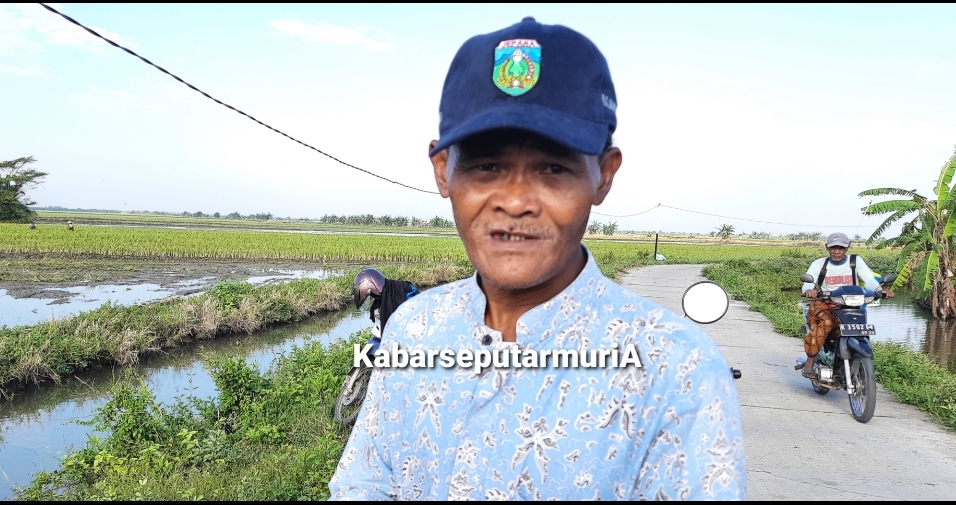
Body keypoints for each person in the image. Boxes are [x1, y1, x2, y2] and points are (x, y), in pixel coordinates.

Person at [329, 17, 746, 500]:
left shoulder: (678, 370)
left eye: (554, 167)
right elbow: (364, 483)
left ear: (603, 177)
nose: (516, 200)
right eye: (487, 165)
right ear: (444, 173)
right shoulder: (414, 330)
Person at [800, 232, 893, 378]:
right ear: (827, 248)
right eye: (833, 248)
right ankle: (809, 362)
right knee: (825, 323)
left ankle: (854, 360)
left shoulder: (855, 261)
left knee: (858, 329)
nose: (837, 251)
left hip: (850, 304)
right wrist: (809, 291)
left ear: (847, 247)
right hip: (825, 303)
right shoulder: (819, 264)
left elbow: (869, 280)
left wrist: (880, 291)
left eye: (841, 248)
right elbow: (807, 284)